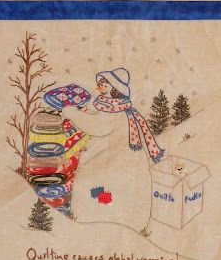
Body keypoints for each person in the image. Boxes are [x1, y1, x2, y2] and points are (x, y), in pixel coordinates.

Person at [61, 68, 164, 231]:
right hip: (122, 158)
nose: (99, 87)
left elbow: (96, 125)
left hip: (115, 162)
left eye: (103, 84)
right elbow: (99, 111)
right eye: (99, 84)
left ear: (113, 89)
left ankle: (95, 221)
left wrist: (73, 114)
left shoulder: (113, 113)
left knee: (98, 184)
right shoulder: (117, 107)